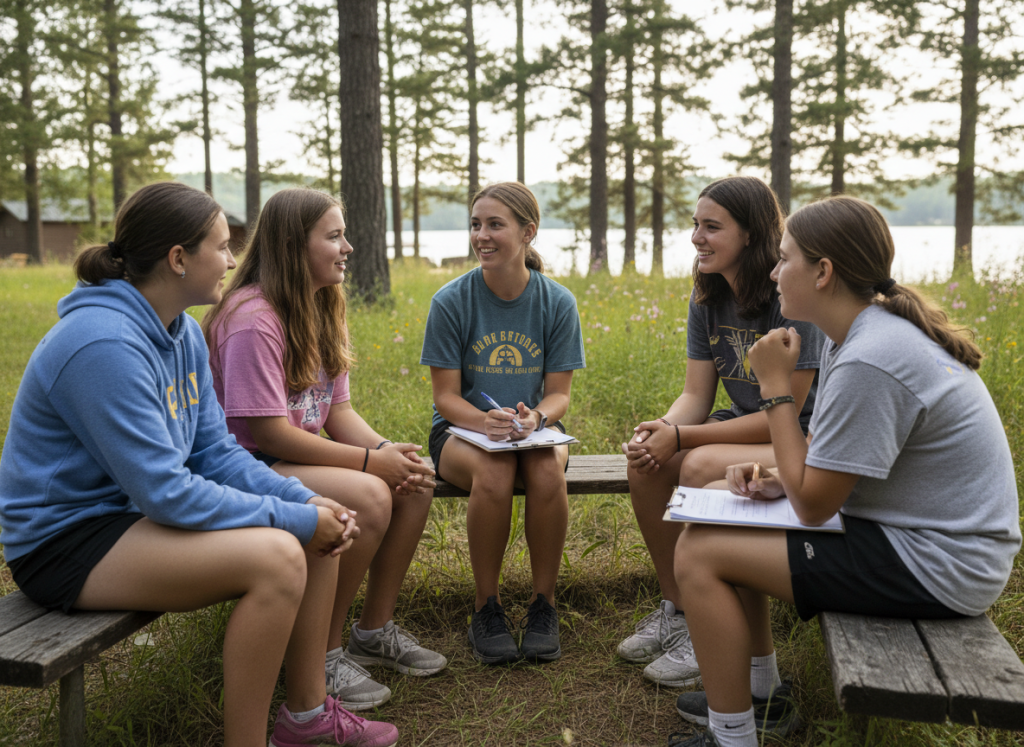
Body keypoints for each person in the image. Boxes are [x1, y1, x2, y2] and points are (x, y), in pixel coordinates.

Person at [0, 182, 398, 747]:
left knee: (317, 522)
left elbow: (214, 453)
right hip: (65, 541)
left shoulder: (181, 331)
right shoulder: (101, 345)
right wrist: (292, 519)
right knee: (282, 554)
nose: (234, 260)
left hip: (127, 517)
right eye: (221, 246)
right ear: (178, 259)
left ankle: (307, 719)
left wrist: (304, 502)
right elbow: (166, 491)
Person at [668, 195, 1021, 747]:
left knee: (698, 551)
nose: (773, 270)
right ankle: (764, 695)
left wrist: (775, 388)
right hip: (912, 532)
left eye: (785, 259)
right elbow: (833, 467)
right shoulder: (857, 334)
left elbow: (814, 506)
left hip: (942, 561)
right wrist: (778, 479)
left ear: (824, 272)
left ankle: (732, 737)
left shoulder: (870, 357)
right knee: (723, 496)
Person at [203, 188, 444, 711]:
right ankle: (321, 656)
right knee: (373, 494)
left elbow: (336, 412)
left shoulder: (321, 303)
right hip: (250, 466)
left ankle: (374, 629)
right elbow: (268, 433)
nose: (348, 247)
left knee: (411, 483)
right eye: (334, 236)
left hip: (294, 454)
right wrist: (366, 463)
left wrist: (385, 452)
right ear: (294, 245)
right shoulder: (252, 319)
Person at [618, 176, 826, 688]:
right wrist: (664, 429)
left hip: (796, 430)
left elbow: (788, 409)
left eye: (712, 227)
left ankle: (710, 614)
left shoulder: (788, 298)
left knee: (695, 463)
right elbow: (696, 396)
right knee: (648, 461)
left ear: (751, 234)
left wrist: (685, 438)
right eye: (696, 225)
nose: (697, 237)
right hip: (743, 422)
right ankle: (680, 607)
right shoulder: (708, 296)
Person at [420, 182, 586, 664]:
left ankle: (543, 604)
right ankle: (486, 607)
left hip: (533, 432)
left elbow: (560, 394)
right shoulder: (451, 301)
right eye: (476, 224)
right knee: (493, 472)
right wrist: (484, 422)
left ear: (528, 232)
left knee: (546, 469)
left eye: (495, 224)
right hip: (460, 433)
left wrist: (537, 417)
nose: (481, 235)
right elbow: (446, 398)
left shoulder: (557, 302)